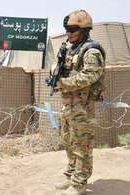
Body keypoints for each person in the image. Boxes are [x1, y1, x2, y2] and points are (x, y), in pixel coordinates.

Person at [51, 10, 106, 195]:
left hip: (82, 106)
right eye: (67, 29)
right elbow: (61, 69)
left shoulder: (92, 51)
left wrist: (62, 83)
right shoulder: (70, 50)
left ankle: (80, 184)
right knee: (68, 142)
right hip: (68, 105)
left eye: (73, 29)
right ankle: (71, 175)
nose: (69, 33)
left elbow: (90, 75)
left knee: (82, 145)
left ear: (83, 30)